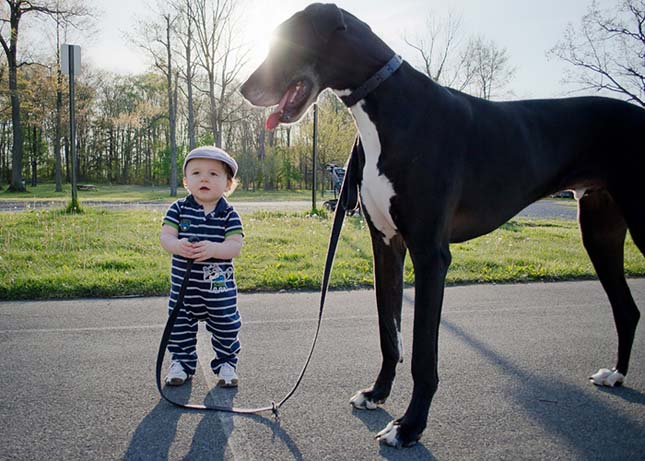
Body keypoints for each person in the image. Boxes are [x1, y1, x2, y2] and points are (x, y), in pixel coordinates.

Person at [160, 146, 243, 387]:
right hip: (185, 289)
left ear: (228, 184)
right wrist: (177, 246)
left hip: (219, 291)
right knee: (180, 327)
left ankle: (227, 363)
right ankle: (181, 363)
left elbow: (235, 246)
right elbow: (165, 237)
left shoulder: (228, 214)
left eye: (213, 174)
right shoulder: (178, 209)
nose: (204, 178)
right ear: (186, 181)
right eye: (196, 173)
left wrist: (215, 250)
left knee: (226, 326)